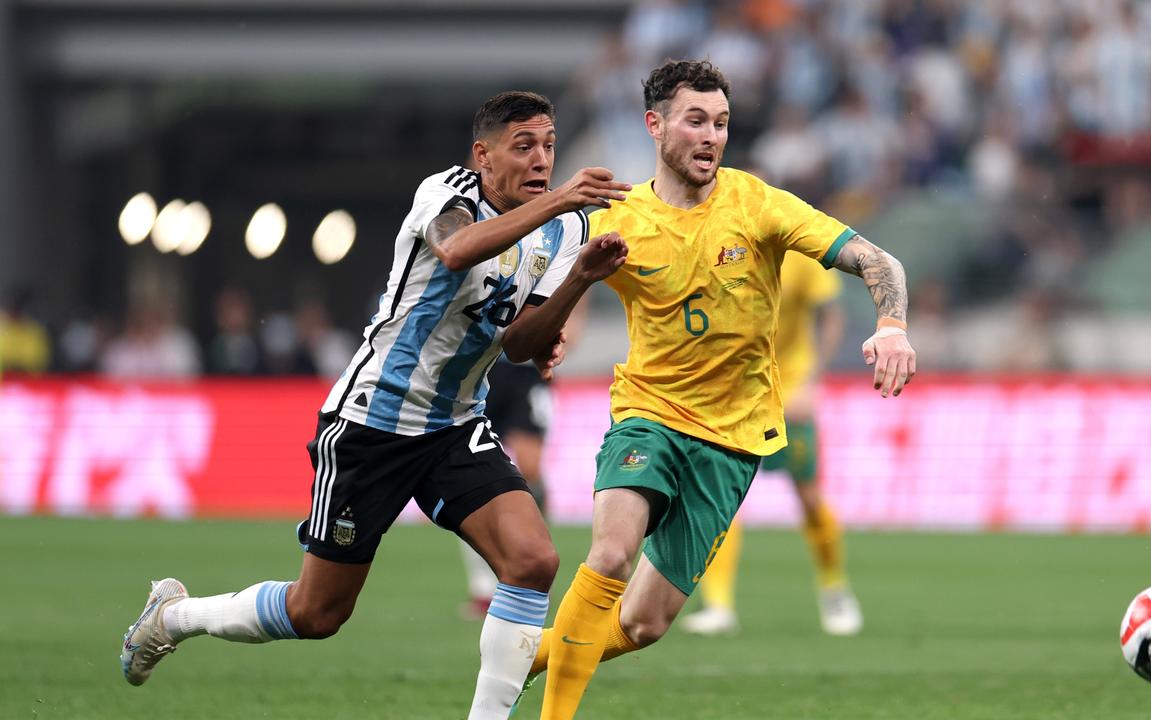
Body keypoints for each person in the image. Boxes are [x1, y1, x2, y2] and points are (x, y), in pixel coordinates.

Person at [118, 91, 631, 720]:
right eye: (523, 146)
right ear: (483, 154)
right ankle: (177, 615)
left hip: (455, 424)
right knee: (317, 613)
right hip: (373, 421)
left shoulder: (567, 226)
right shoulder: (446, 195)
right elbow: (456, 250)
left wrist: (578, 280)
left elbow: (522, 344)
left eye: (548, 146)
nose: (540, 159)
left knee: (533, 560)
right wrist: (561, 196)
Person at [527, 60, 916, 719]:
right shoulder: (620, 217)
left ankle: (528, 653)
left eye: (722, 123)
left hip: (734, 440)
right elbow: (566, 276)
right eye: (696, 120)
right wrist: (557, 321)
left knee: (644, 624)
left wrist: (893, 324)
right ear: (655, 126)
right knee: (612, 551)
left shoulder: (757, 204)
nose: (711, 136)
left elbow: (878, 261)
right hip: (647, 417)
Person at [679, 251, 862, 637]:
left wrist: (811, 382)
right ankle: (718, 604)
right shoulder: (719, 245)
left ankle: (835, 589)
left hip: (788, 391)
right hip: (734, 392)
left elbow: (831, 316)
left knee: (809, 497)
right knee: (719, 497)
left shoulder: (797, 248)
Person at [457, 303, 586, 620]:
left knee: (531, 472)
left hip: (528, 372)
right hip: (482, 365)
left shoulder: (558, 257)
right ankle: (483, 587)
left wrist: (560, 334)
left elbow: (577, 312)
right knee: (469, 473)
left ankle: (537, 567)